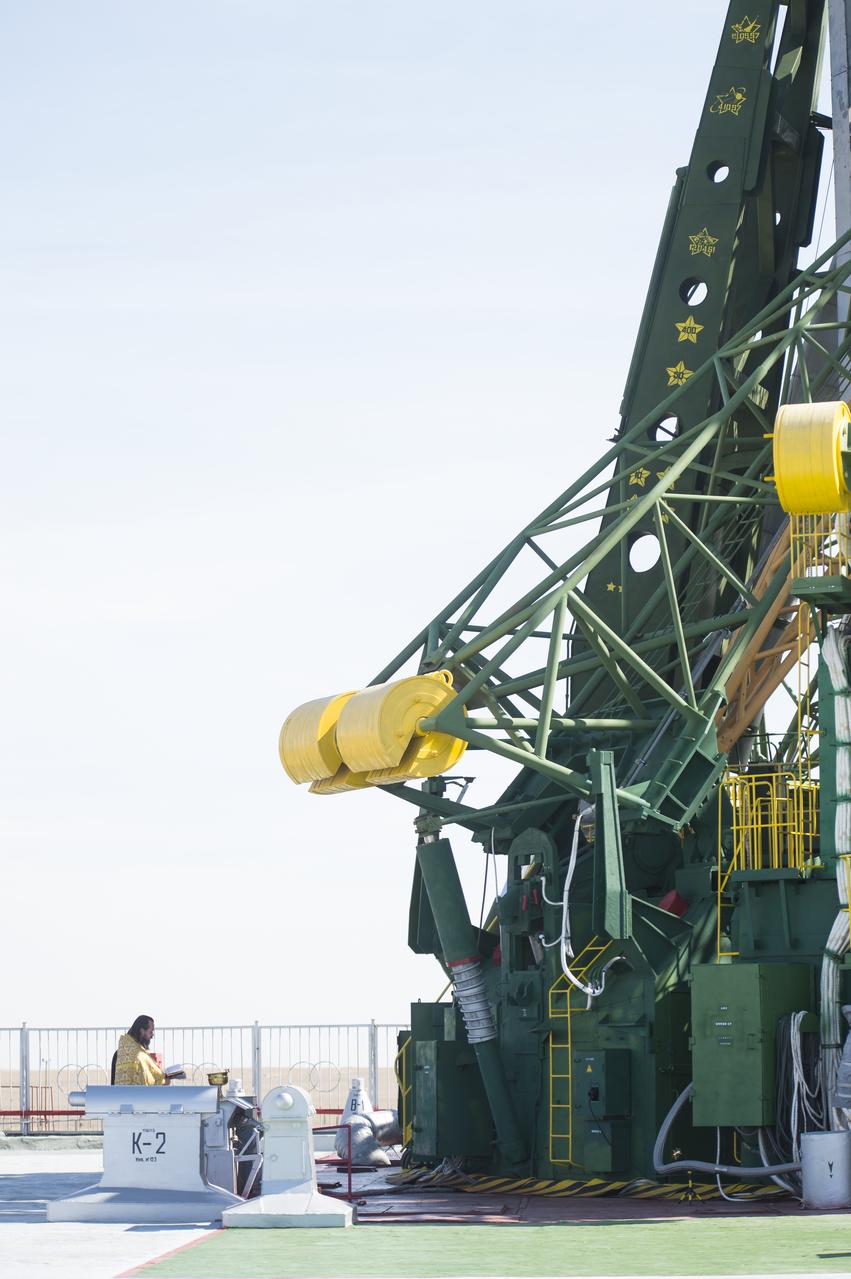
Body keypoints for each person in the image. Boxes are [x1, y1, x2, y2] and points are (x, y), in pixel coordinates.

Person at [112, 1015, 170, 1086]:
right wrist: (165, 1080)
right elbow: (148, 1079)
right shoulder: (139, 1054)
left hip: (119, 1095)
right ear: (142, 1031)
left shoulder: (120, 1051)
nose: (152, 1035)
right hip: (135, 1096)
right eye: (151, 1032)